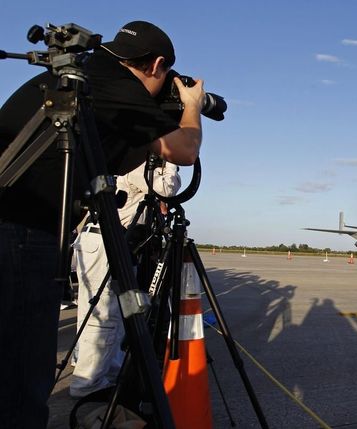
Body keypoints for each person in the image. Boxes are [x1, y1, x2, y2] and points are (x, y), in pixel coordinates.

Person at [0, 20, 204, 428]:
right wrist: (192, 106)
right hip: (24, 229)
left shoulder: (82, 75)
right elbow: (183, 148)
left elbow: (116, 152)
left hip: (16, 222)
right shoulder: (118, 86)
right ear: (157, 65)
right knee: (23, 368)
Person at [70, 161, 180, 398]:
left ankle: (101, 372)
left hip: (111, 239)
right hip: (107, 239)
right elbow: (166, 188)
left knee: (110, 313)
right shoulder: (139, 160)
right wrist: (170, 165)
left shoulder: (128, 156)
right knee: (103, 316)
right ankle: (87, 383)